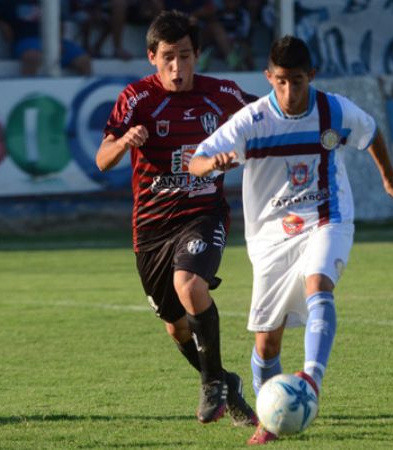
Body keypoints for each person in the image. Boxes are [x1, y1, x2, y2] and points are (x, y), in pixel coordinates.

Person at [188, 35, 393, 444]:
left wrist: (387, 175)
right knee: (267, 341)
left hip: (327, 216)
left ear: (312, 75)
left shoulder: (332, 109)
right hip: (271, 235)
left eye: (297, 81)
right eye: (280, 82)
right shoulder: (252, 121)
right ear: (268, 77)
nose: (289, 92)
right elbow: (196, 159)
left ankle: (310, 379)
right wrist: (211, 165)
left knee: (318, 283)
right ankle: (270, 419)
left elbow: (371, 131)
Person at [95, 10, 258, 426]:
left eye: (185, 56)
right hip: (151, 229)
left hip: (202, 214)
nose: (177, 67)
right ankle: (224, 381)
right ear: (152, 56)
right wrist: (125, 141)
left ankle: (211, 387)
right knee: (176, 328)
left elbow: (264, 121)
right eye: (168, 56)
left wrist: (237, 155)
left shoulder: (221, 92)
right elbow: (102, 159)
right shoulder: (136, 99)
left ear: (197, 54)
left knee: (189, 284)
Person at [0, 0, 92, 75]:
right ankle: (28, 94)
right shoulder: (10, 2)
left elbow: (60, 23)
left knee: (83, 60)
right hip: (26, 40)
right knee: (33, 57)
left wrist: (57, 42)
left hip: (54, 40)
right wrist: (0, 23)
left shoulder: (50, 3)